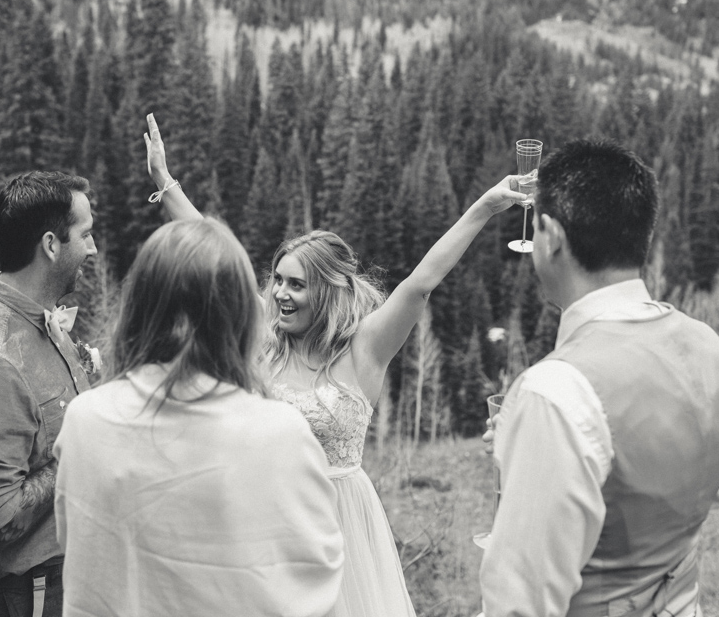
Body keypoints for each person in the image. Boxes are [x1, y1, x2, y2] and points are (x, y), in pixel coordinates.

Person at [143, 113, 528, 617]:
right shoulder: (264, 335)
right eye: (277, 279)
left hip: (338, 522)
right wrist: (164, 182)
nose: (280, 292)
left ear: (327, 290)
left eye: (296, 284)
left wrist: (485, 206)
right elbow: (216, 258)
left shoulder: (364, 348)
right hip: (266, 518)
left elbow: (420, 283)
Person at [476, 139, 719, 617]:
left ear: (551, 235)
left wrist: (533, 447)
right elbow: (715, 487)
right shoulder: (718, 353)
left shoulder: (554, 393)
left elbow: (519, 600)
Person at [54, 218, 345, 616]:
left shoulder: (84, 420)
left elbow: (78, 549)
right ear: (240, 316)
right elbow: (316, 580)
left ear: (137, 307)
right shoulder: (279, 433)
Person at [0, 171, 98, 617]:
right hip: (22, 597)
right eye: (85, 235)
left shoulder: (39, 322)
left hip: (55, 582)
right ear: (51, 245)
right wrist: (82, 450)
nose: (93, 248)